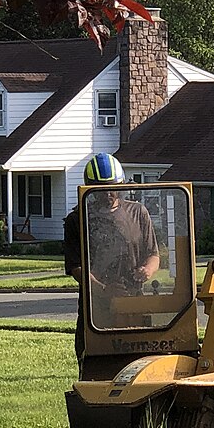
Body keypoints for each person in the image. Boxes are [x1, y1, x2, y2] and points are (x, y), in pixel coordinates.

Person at [63, 152, 159, 357]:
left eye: (113, 189)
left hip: (135, 302)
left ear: (122, 185)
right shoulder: (77, 219)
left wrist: (146, 270)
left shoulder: (138, 212)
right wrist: (103, 289)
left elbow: (153, 254)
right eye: (101, 190)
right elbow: (75, 267)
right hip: (96, 309)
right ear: (89, 189)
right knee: (96, 361)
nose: (108, 194)